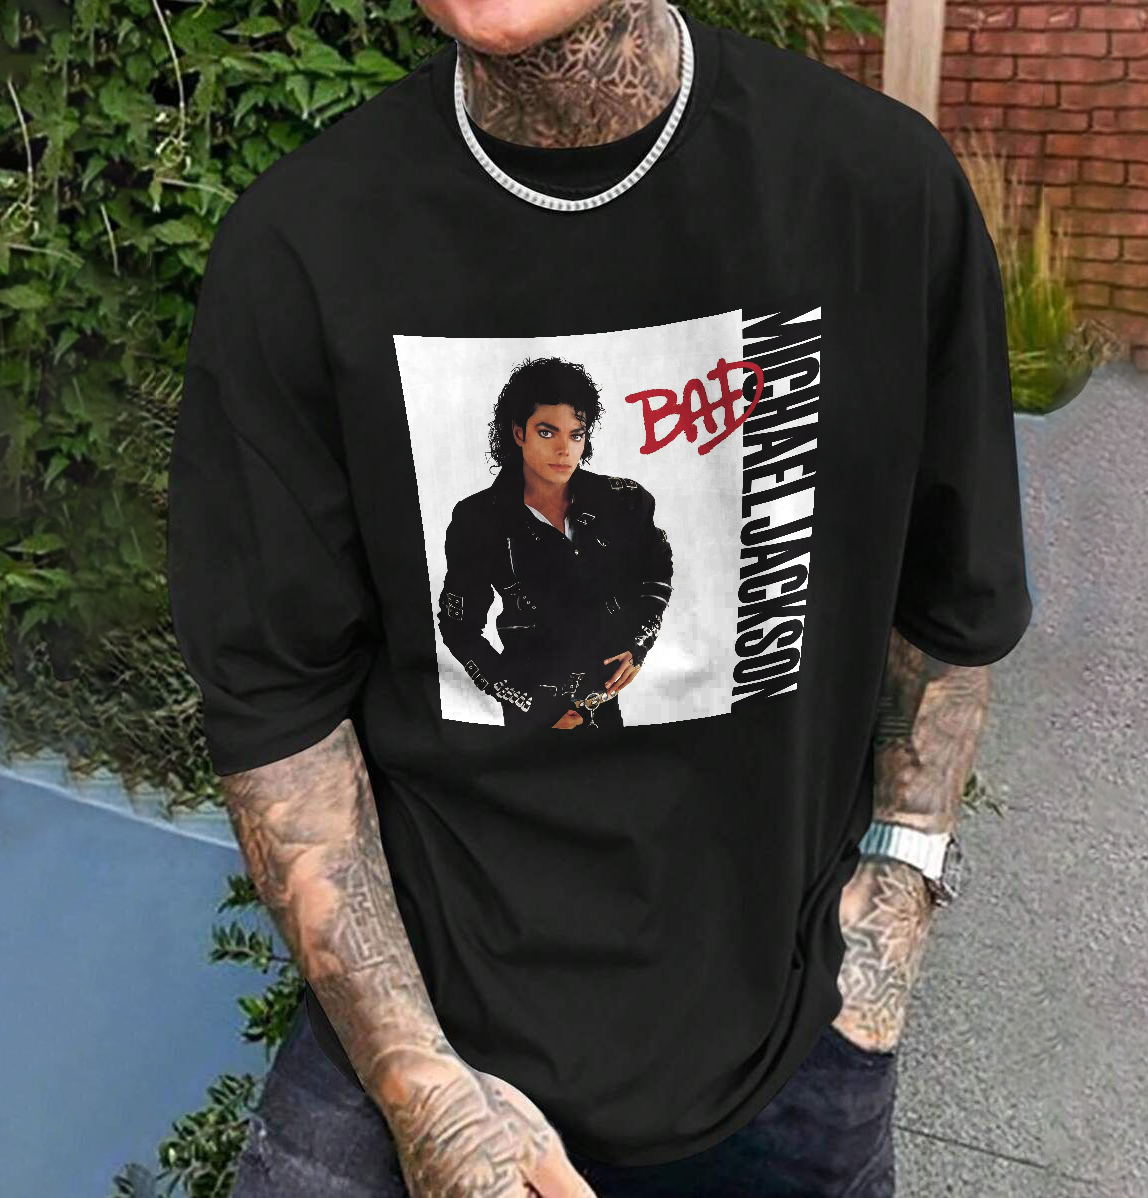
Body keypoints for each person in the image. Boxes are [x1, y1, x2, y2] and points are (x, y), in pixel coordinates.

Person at [167, 1, 1034, 1195]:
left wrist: (879, 954)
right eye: (545, 428)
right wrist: (428, 1096)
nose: (565, 444)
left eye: (577, 427)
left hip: (792, 1052)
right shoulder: (303, 247)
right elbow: (278, 703)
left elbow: (950, 607)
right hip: (412, 1044)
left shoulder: (876, 191)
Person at [437, 356, 674, 732]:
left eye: (576, 435)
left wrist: (639, 642)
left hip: (604, 702)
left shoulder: (624, 500)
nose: (565, 449)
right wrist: (528, 703)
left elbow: (657, 569)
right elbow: (459, 628)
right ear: (519, 433)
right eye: (547, 433)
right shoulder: (478, 519)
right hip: (531, 712)